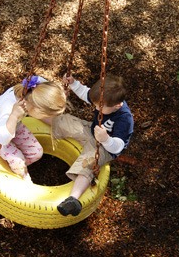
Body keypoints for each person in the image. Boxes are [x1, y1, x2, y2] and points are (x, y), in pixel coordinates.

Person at [52, 74, 134, 216]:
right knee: (64, 121)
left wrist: (106, 139)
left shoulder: (124, 119)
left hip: (105, 148)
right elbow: (86, 94)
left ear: (117, 106)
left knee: (87, 164)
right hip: (92, 131)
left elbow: (119, 147)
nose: (96, 108)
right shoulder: (104, 98)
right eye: (96, 104)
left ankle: (73, 199)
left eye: (100, 106)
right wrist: (74, 84)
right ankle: (34, 116)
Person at [0, 75, 66, 182]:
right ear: (35, 109)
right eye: (46, 115)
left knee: (36, 152)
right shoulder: (8, 107)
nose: (48, 118)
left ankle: (15, 166)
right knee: (18, 160)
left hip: (15, 125)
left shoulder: (35, 89)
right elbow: (2, 139)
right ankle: (21, 176)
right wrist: (14, 116)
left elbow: (36, 78)